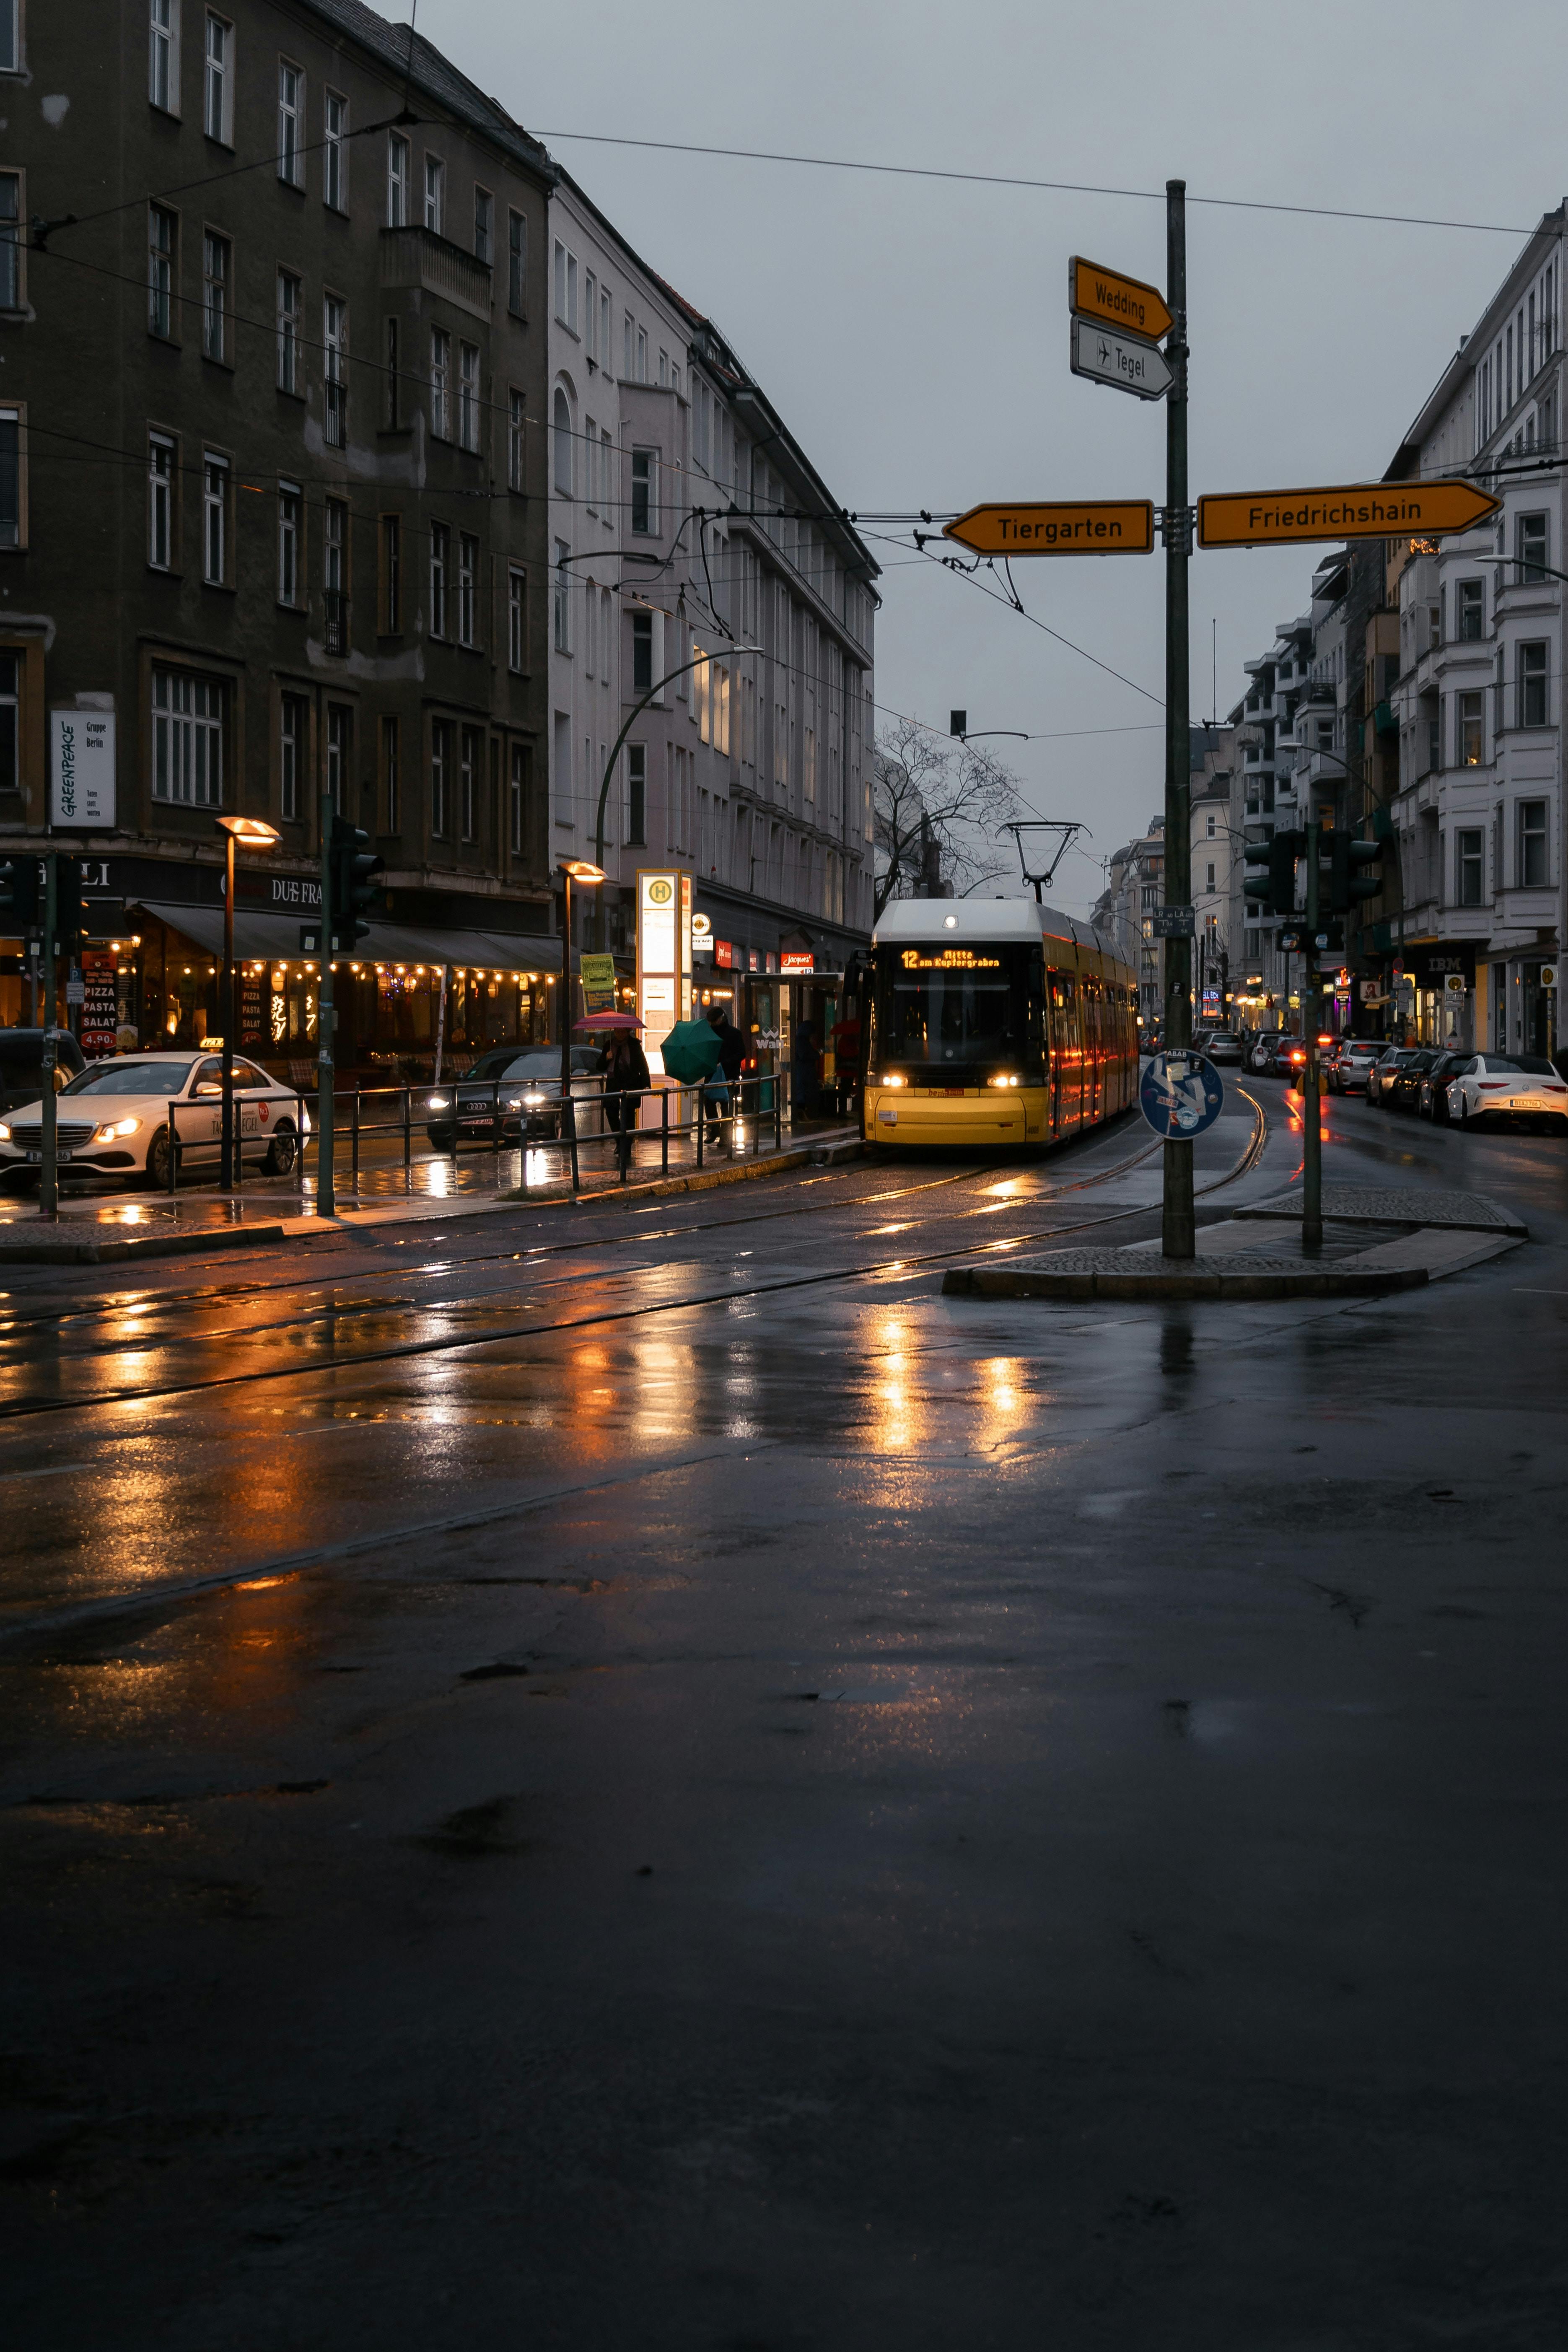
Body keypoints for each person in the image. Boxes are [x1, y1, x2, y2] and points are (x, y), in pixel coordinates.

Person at [599, 1024, 650, 1178]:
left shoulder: (634, 1045)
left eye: (622, 1031)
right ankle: (619, 1140)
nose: (619, 1034)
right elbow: (599, 1066)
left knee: (629, 1114)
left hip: (631, 1082)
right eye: (616, 1031)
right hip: (614, 1083)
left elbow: (643, 1065)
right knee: (611, 1112)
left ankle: (626, 1145)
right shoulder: (608, 1045)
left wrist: (647, 1084)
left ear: (628, 1032)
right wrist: (606, 1058)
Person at [705, 1003, 744, 1143]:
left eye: (714, 1021)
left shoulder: (734, 1033)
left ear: (721, 1019)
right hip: (712, 1074)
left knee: (726, 1106)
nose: (713, 1024)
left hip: (729, 1075)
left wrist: (724, 1063)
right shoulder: (709, 1033)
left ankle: (725, 1136)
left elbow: (741, 1053)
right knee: (709, 1102)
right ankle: (715, 1130)